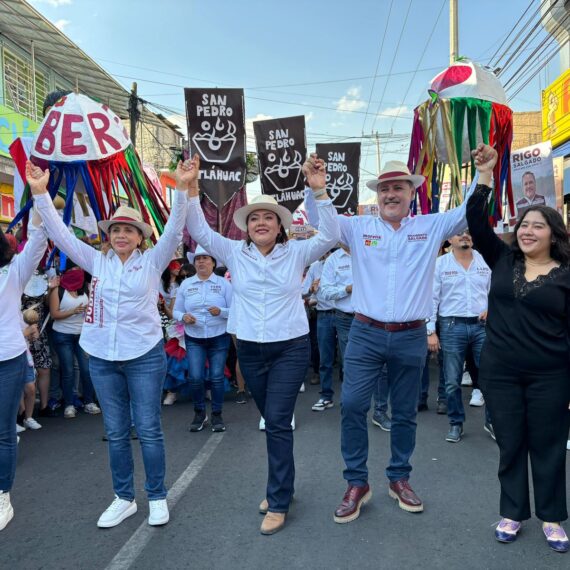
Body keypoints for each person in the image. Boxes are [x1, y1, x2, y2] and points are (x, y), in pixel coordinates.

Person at [305, 152, 489, 523]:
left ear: (410, 193)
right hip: (365, 333)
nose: (391, 194)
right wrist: (318, 190)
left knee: (404, 413)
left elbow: (470, 209)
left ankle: (399, 478)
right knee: (354, 405)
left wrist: (484, 172)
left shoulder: (431, 226)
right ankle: (357, 482)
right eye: (385, 188)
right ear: (378, 195)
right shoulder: (358, 227)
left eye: (399, 188)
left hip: (409, 337)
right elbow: (323, 225)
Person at [27, 157, 191, 529]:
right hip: (101, 356)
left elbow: (175, 230)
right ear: (108, 235)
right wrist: (40, 193)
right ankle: (124, 498)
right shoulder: (94, 262)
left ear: (140, 237)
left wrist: (181, 188)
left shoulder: (152, 262)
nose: (121, 235)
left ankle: (157, 496)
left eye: (129, 230)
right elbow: (62, 234)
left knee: (148, 429)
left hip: (144, 356)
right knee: (115, 431)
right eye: (116, 229)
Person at [185, 154, 340, 535]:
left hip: (290, 348)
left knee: (276, 422)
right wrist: (189, 190)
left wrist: (319, 188)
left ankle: (280, 499)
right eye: (254, 218)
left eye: (268, 217)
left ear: (280, 225)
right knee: (272, 421)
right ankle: (281, 487)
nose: (260, 222)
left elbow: (333, 234)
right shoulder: (234, 251)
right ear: (247, 227)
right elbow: (200, 233)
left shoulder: (298, 252)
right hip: (250, 350)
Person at [467, 144, 570, 553]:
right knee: (511, 443)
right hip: (500, 372)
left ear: (553, 233)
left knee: (547, 446)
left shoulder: (566, 275)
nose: (527, 231)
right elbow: (477, 222)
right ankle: (512, 512)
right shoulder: (502, 259)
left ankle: (551, 517)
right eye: (523, 225)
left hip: (551, 375)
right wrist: (486, 175)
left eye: (537, 226)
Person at [0, 216, 47, 531]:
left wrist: (41, 206)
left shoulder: (12, 273)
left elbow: (37, 245)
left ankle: (3, 495)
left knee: (3, 432)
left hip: (7, 360)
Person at [427, 230, 491, 443]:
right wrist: (431, 331)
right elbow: (432, 299)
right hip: (451, 326)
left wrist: (492, 308)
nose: (465, 236)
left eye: (468, 233)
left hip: (482, 326)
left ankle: (492, 422)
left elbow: (495, 291)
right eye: (459, 233)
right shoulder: (441, 264)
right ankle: (456, 423)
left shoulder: (485, 261)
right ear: (449, 240)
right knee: (452, 380)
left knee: (490, 378)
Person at [173, 245, 232, 432]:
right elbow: (176, 310)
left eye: (206, 258)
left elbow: (236, 310)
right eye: (198, 259)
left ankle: (217, 414)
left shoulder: (224, 284)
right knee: (196, 377)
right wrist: (184, 317)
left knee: (216, 377)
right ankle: (199, 413)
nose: (201, 262)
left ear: (213, 263)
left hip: (219, 337)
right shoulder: (186, 284)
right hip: (194, 337)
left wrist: (220, 311)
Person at [49, 266, 101, 418]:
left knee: (86, 369)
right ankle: (69, 404)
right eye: (73, 269)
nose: (76, 272)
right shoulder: (57, 290)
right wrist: (74, 311)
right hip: (63, 335)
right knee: (68, 370)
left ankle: (89, 401)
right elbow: (54, 314)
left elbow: (94, 309)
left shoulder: (85, 287)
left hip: (82, 335)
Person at [302, 251, 337, 411]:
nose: (325, 252)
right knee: (325, 359)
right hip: (324, 315)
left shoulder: (349, 260)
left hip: (348, 315)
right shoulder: (315, 267)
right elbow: (303, 291)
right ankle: (326, 396)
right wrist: (311, 288)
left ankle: (352, 401)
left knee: (351, 360)